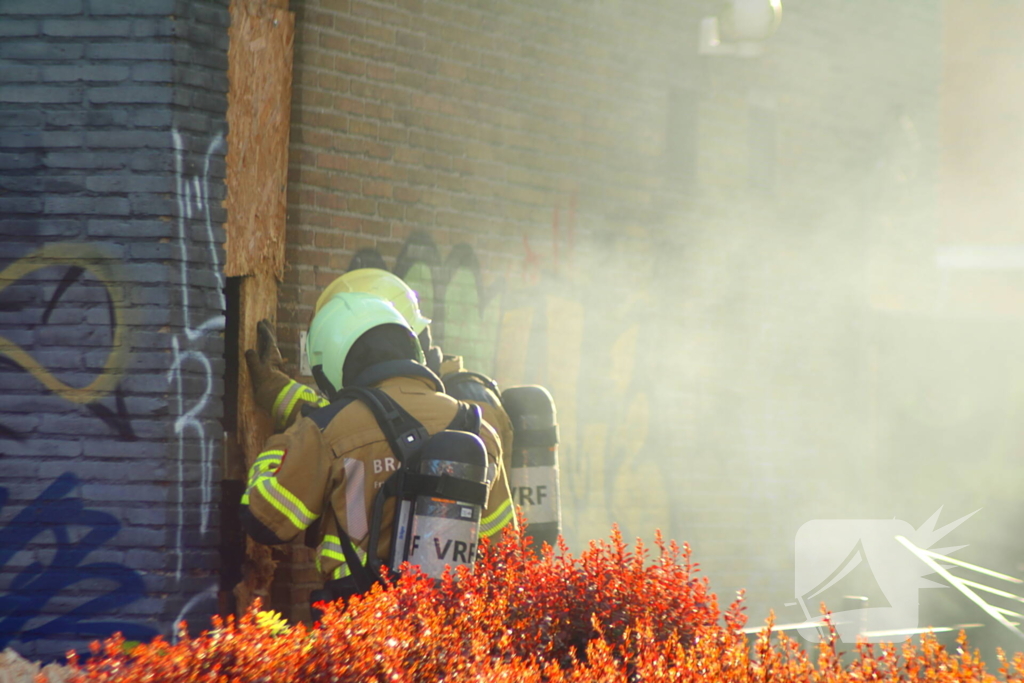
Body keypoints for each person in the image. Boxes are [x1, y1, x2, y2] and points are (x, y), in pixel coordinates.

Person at [239, 292, 516, 590]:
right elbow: (503, 550)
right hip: (449, 622)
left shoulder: (328, 430)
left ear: (331, 360)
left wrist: (282, 444)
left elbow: (265, 520)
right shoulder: (477, 429)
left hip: (363, 621)